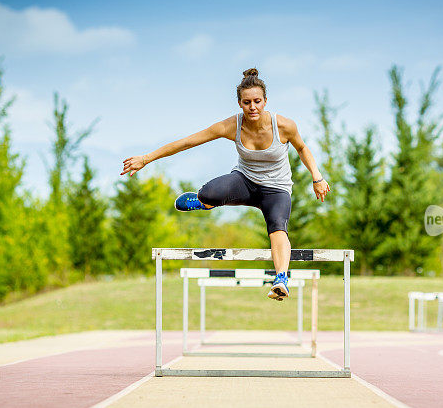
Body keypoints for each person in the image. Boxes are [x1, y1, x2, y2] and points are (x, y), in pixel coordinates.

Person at [120, 68, 329, 300]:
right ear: (239, 103)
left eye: (257, 101)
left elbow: (302, 148)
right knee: (208, 193)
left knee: (278, 226)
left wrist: (317, 177)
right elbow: (189, 142)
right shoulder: (232, 125)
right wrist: (146, 158)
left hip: (276, 189)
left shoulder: (284, 126)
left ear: (265, 101)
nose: (253, 107)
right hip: (245, 181)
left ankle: (280, 280)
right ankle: (205, 202)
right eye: (247, 102)